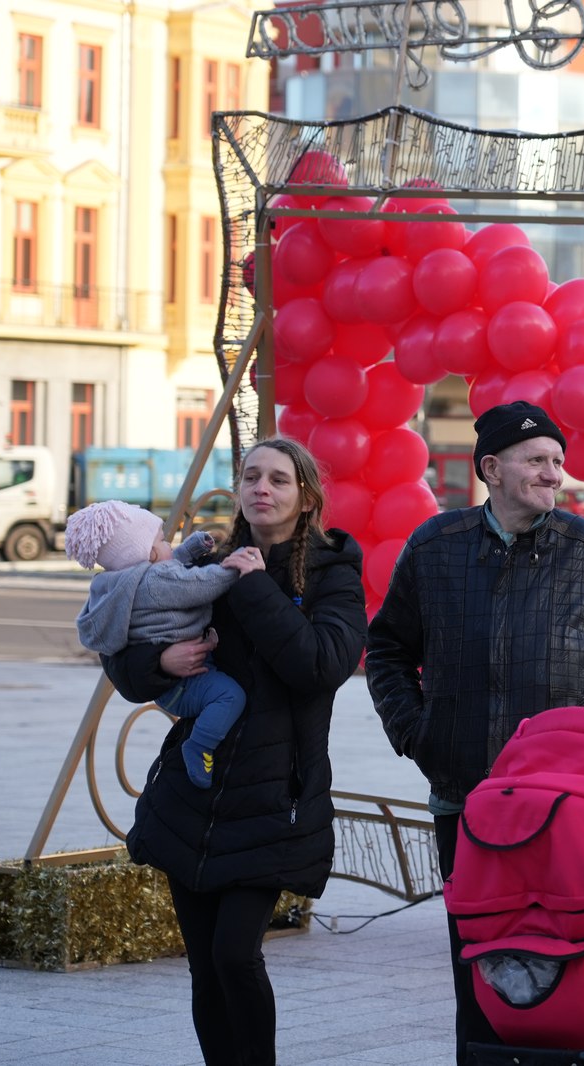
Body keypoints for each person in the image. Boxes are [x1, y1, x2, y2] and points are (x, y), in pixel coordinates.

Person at [365, 399, 584, 1064]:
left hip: (563, 806)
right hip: (464, 801)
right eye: (537, 460)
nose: (554, 473)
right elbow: (385, 648)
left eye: (558, 460)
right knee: (477, 962)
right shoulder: (434, 547)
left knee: (568, 966)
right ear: (491, 468)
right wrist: (418, 733)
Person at [101, 437, 367, 1066]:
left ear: (306, 499)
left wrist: (251, 587)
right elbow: (129, 640)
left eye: (279, 479)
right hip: (193, 795)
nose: (261, 489)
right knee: (203, 966)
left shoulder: (332, 573)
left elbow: (319, 666)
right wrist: (157, 660)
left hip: (276, 799)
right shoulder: (208, 563)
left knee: (233, 955)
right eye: (251, 476)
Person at [66, 501, 249, 787]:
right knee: (231, 696)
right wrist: (235, 567)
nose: (169, 546)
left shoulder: (124, 581)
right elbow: (198, 585)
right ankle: (200, 745)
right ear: (149, 553)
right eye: (163, 541)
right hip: (184, 684)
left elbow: (169, 565)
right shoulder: (156, 582)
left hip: (167, 685)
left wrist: (191, 548)